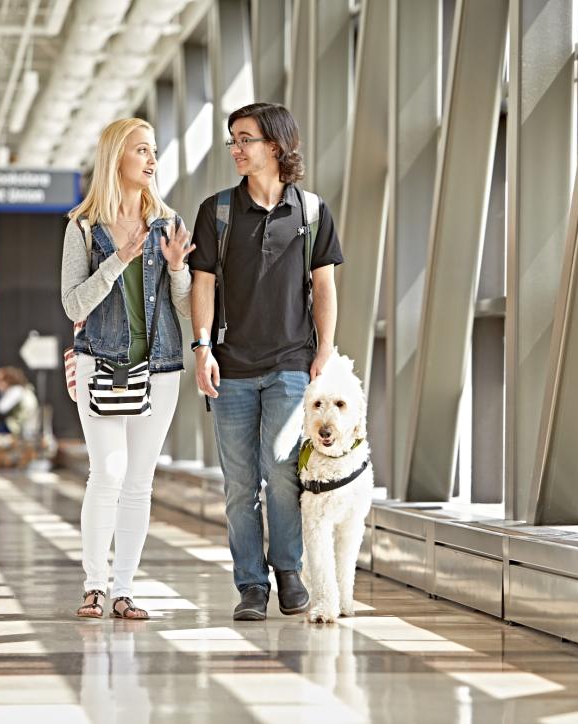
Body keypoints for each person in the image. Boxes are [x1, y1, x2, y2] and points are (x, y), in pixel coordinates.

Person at [189, 102, 344, 621]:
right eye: (233, 138)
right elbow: (202, 283)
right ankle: (251, 586)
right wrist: (202, 348)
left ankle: (289, 571)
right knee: (238, 485)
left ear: (275, 145)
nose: (235, 147)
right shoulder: (218, 211)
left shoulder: (312, 211)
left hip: (290, 364)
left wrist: (324, 349)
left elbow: (323, 284)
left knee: (281, 473)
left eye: (245, 138)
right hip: (230, 366)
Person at [62, 117, 194, 620]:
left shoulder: (168, 221)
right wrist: (117, 259)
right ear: (117, 156)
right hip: (101, 362)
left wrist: (177, 267)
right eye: (142, 149)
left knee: (139, 481)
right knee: (107, 473)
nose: (152, 159)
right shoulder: (83, 227)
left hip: (160, 367)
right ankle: (94, 585)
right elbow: (73, 304)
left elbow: (182, 308)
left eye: (154, 150)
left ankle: (123, 591)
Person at [0, 366, 39, 439]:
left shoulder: (15, 391)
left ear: (6, 381)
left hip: (14, 427)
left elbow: (1, 408)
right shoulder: (25, 389)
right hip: (25, 427)